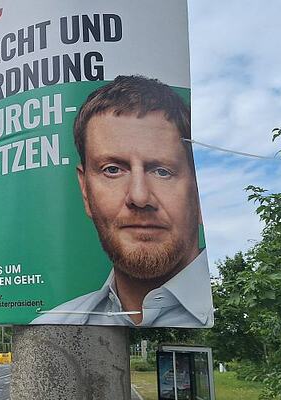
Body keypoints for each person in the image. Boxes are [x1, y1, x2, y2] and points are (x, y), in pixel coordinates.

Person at [31, 75, 213, 327]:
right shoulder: (54, 321)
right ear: (85, 189)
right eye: (112, 170)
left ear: (198, 188)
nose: (139, 197)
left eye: (162, 171)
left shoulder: (235, 307)